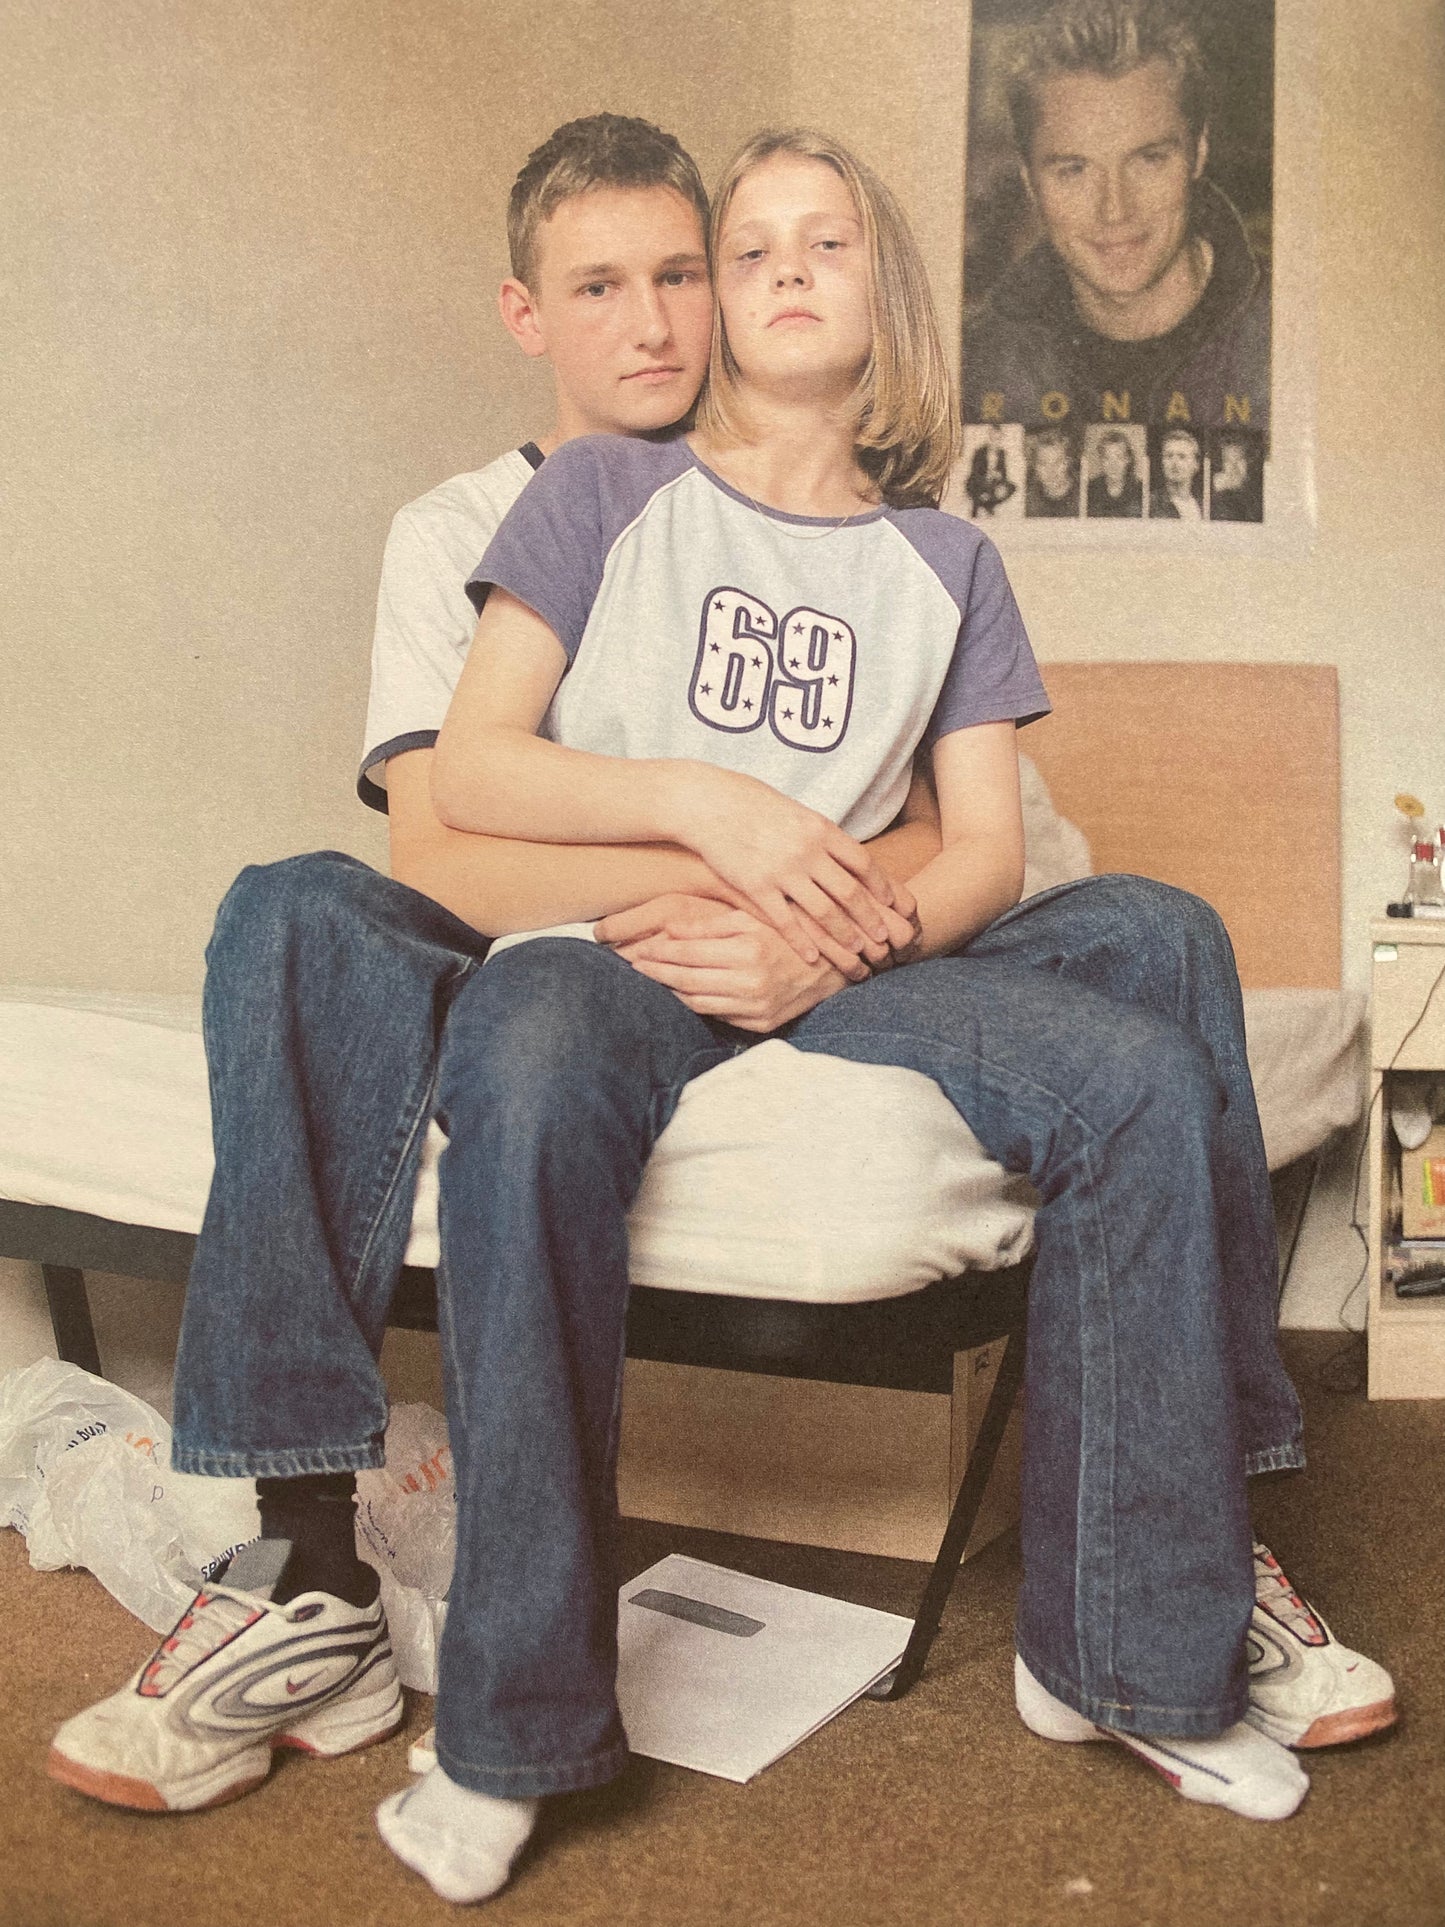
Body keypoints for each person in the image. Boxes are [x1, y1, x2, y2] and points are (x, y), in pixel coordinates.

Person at [48, 114, 1394, 1906]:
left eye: (708, 265)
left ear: (872, 288)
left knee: (1155, 964)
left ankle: (1172, 1583)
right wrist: (712, 825)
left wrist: (818, 933)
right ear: (529, 311)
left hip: (843, 944)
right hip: (603, 939)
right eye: (686, 268)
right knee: (444, 1000)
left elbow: (985, 844)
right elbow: (455, 811)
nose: (682, 309)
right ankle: (360, 1605)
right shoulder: (556, 509)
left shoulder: (940, 559)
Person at [961, 0, 1270, 435]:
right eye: (1074, 169)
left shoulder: (1291, 341)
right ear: (1030, 182)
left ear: (1198, 153)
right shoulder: (967, 365)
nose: (1115, 210)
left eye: (1148, 160)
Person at [1086, 425, 1144, 515]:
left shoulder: (1140, 490)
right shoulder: (1090, 489)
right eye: (1107, 458)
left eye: (1119, 457)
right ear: (1101, 460)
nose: (1113, 465)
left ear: (1128, 459)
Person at [1025, 423, 1080, 515]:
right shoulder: (1026, 501)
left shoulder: (1083, 496)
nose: (1051, 471)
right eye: (1043, 463)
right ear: (1034, 466)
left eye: (1058, 462)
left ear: (1068, 462)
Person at [1150, 423, 1204, 517]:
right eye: (1169, 456)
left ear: (1196, 464)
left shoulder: (1205, 506)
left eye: (1182, 457)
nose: (1175, 463)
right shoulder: (1149, 505)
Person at [963, 424, 1018, 516]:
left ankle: (989, 504)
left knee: (1011, 487)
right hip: (980, 481)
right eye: (993, 438)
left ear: (1000, 439)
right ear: (989, 437)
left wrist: (999, 477)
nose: (994, 441)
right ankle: (981, 503)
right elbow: (975, 472)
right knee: (975, 484)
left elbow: (1004, 473)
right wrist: (986, 478)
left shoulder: (1002, 453)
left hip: (994, 482)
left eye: (997, 439)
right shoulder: (979, 452)